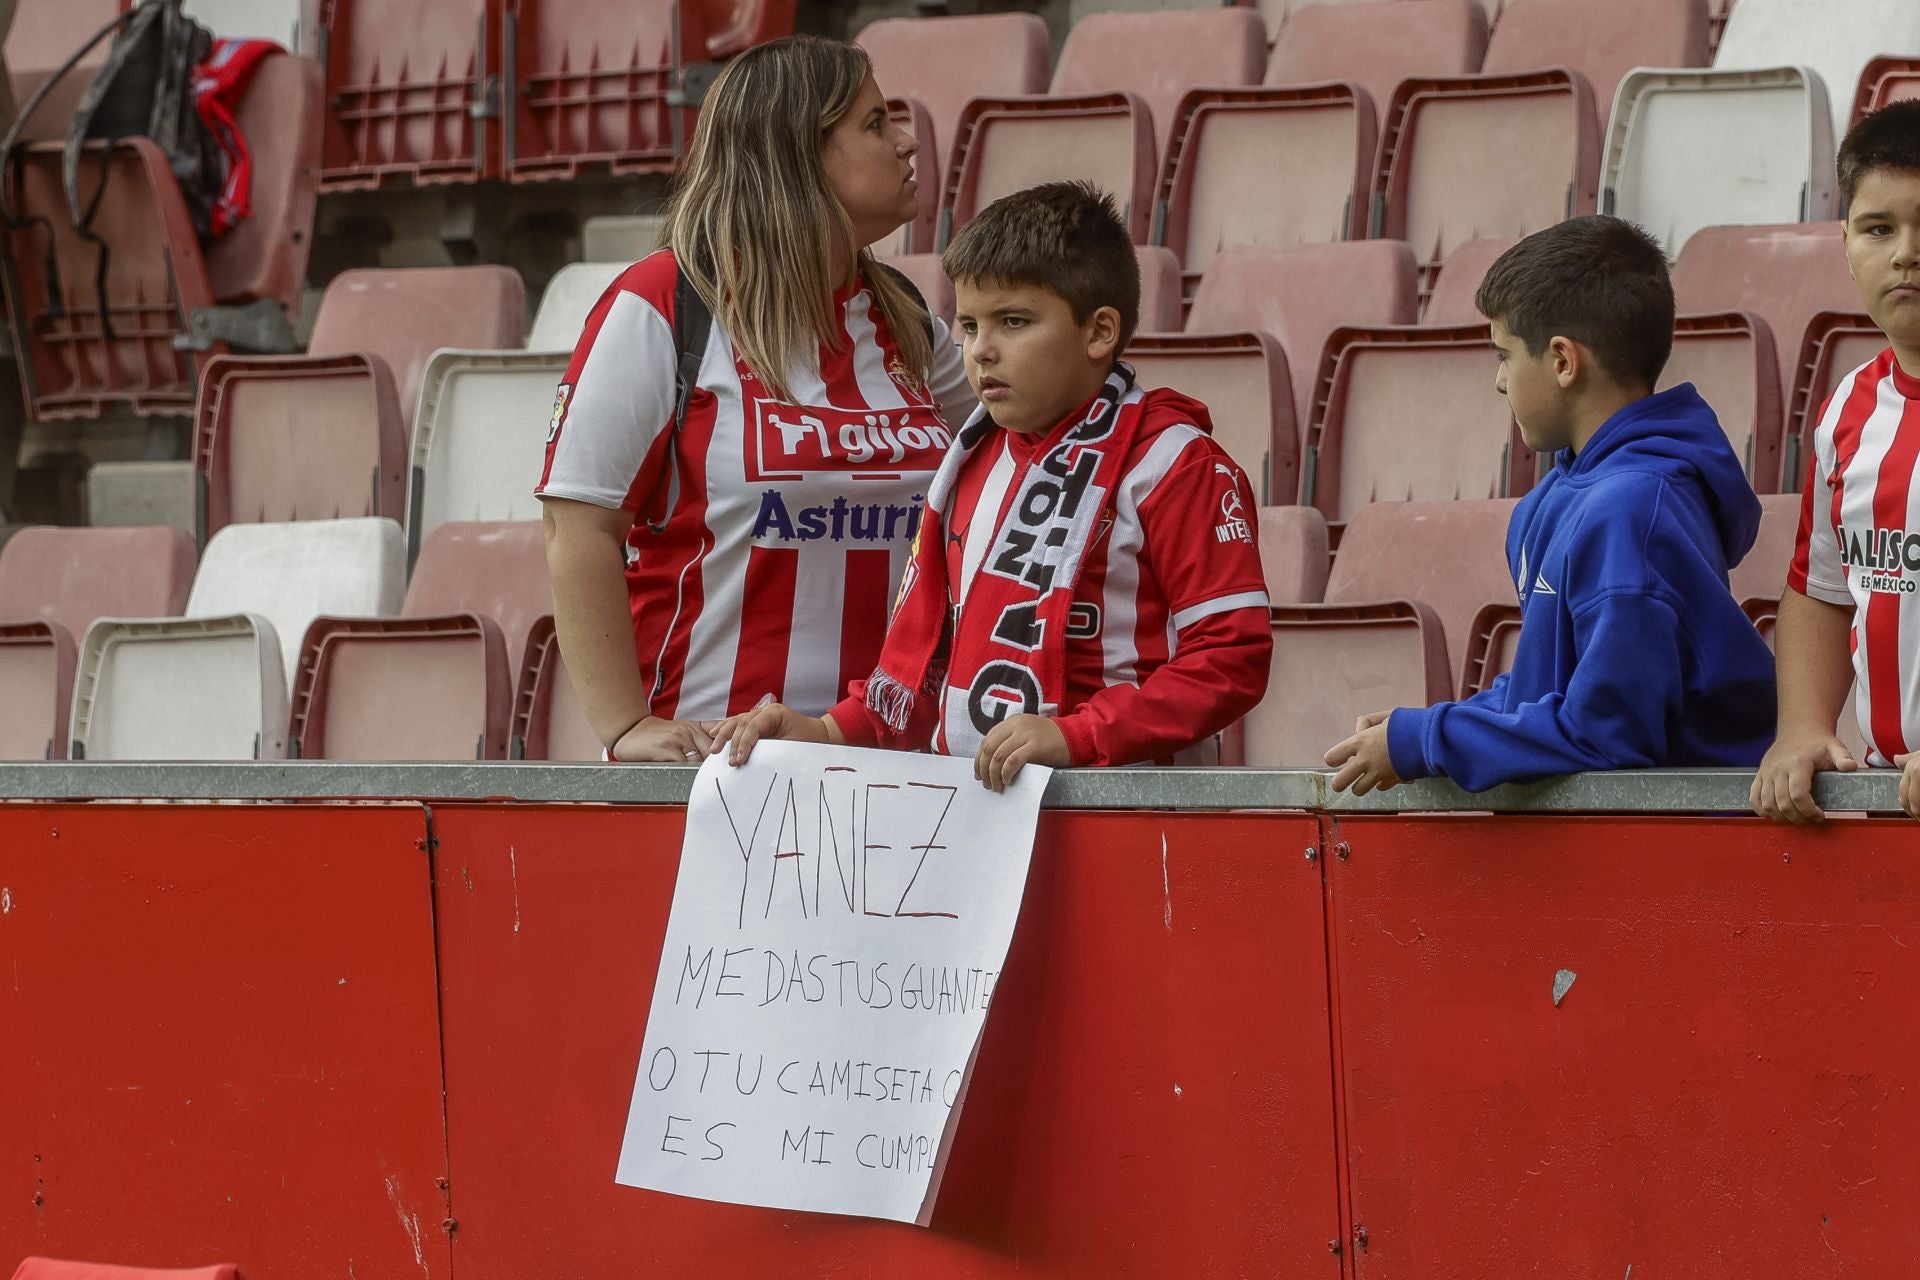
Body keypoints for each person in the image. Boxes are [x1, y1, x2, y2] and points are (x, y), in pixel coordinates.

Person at [710, 181, 1273, 790]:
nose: (982, 351)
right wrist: (824, 732)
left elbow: (1230, 658)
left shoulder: (1174, 464)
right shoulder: (969, 462)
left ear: (1100, 331)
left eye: (1013, 322)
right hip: (980, 826)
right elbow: (924, 669)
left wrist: (1079, 734)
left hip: (1132, 815)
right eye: (970, 326)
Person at [537, 36, 974, 763]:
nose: (905, 144)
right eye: (874, 125)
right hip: (720, 768)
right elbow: (577, 529)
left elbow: (1006, 462)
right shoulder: (661, 304)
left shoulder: (903, 313)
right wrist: (624, 727)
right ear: (798, 156)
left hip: (897, 763)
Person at [1325, 214, 1776, 795]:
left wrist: (1429, 740)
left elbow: (1606, 735)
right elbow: (1549, 693)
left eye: (1503, 356)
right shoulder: (1558, 498)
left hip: (1687, 855)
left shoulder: (1633, 512)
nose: (1498, 382)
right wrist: (1427, 730)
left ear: (1563, 361)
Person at [1752, 99, 1920, 824]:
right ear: (1845, 245)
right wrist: (1802, 728)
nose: (1906, 251)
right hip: (1887, 802)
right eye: (1879, 229)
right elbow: (1822, 588)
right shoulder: (1847, 408)